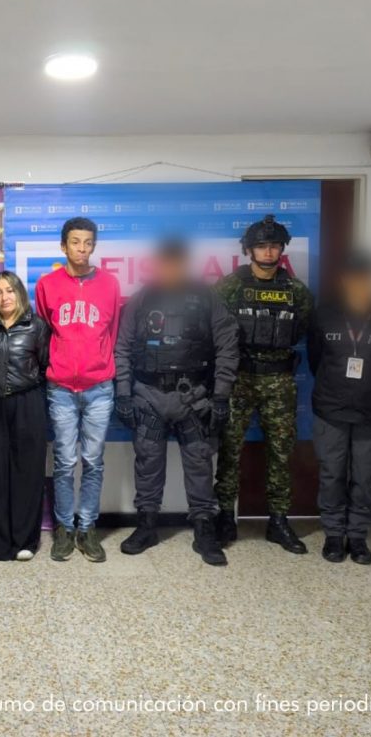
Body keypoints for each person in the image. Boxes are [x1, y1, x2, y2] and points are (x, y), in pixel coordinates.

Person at [114, 239, 239, 566]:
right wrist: (124, 393)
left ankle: (203, 529)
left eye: (176, 263)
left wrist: (222, 394)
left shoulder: (207, 297)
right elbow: (123, 347)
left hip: (194, 395)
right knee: (148, 462)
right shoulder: (142, 299)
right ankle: (147, 526)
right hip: (148, 394)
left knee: (199, 463)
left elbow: (227, 345)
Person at [214, 214, 314, 553]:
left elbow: (300, 330)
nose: (268, 252)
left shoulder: (296, 291)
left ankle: (278, 521)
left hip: (279, 380)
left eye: (274, 246)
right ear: (248, 250)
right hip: (239, 378)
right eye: (261, 246)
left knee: (282, 453)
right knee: (229, 450)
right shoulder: (230, 287)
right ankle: (226, 517)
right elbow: (216, 332)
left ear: (282, 249)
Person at [308, 250, 371, 565]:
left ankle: (358, 538)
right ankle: (334, 536)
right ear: (344, 280)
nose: (360, 284)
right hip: (331, 411)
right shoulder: (324, 314)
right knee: (332, 475)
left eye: (367, 278)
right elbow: (317, 360)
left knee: (365, 478)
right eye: (354, 278)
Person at [35, 217, 122, 563]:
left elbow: (111, 332)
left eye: (88, 242)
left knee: (93, 461)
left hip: (100, 387)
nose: (82, 249)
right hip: (61, 389)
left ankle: (87, 528)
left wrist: (97, 365)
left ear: (94, 246)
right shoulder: (47, 285)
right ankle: (64, 529)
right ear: (63, 246)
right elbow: (43, 334)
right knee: (65, 460)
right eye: (75, 242)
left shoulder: (110, 285)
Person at [0, 271, 50, 561]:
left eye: (9, 291)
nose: (4, 297)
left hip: (26, 403)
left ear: (19, 293)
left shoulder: (37, 326)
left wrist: (25, 385)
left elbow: (44, 366)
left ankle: (25, 539)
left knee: (26, 473)